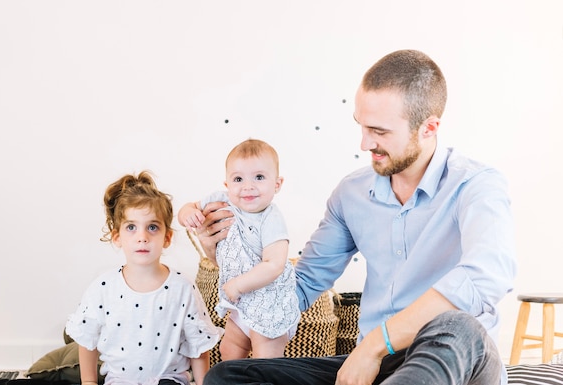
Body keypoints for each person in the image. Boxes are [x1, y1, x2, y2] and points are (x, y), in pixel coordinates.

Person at [198, 50, 516, 385]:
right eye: (361, 127)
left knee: (458, 323)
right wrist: (227, 254)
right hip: (374, 367)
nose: (365, 143)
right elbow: (299, 287)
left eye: (379, 131)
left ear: (429, 127)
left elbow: (486, 277)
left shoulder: (476, 185)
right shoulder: (351, 194)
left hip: (453, 361)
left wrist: (375, 345)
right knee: (228, 376)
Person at [65, 171, 223, 385]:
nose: (142, 237)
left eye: (152, 227)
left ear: (166, 238)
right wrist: (89, 382)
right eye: (131, 227)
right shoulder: (103, 287)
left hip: (168, 380)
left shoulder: (182, 288)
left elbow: (197, 344)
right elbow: (87, 338)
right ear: (117, 237)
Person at [178, 138, 300, 360]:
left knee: (266, 362)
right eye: (238, 179)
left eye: (259, 177)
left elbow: (274, 264)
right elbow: (190, 206)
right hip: (241, 307)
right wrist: (188, 214)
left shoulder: (270, 218)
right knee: (229, 350)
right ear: (227, 185)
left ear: (277, 184)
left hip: (267, 305)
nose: (248, 186)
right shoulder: (224, 201)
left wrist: (238, 285)